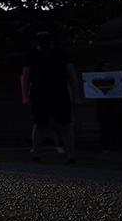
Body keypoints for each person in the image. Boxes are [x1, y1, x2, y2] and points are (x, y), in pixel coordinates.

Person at [21, 30, 80, 163]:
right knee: (39, 124)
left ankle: (71, 155)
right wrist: (25, 96)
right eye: (41, 39)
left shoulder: (62, 53)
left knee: (65, 124)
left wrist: (76, 95)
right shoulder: (31, 55)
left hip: (60, 93)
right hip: (39, 94)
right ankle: (36, 153)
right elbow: (26, 77)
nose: (44, 41)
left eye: (46, 38)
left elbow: (72, 75)